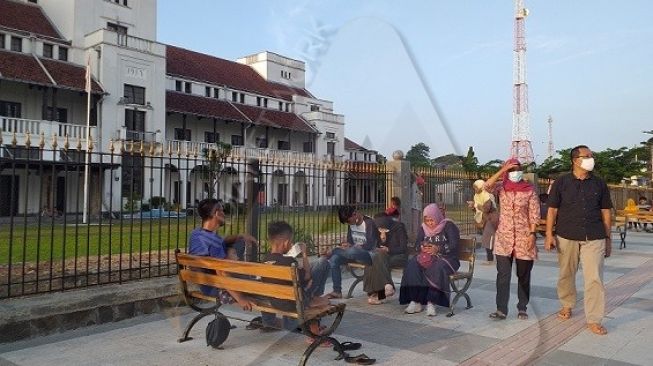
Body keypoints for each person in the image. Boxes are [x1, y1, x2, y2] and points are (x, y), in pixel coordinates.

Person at [545, 145, 613, 336]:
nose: (592, 159)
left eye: (592, 155)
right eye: (587, 156)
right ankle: (567, 304)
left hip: (594, 235)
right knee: (566, 273)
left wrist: (608, 239)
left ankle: (594, 319)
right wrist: (549, 234)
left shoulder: (599, 183)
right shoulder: (561, 182)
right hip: (567, 235)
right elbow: (552, 210)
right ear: (575, 160)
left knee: (594, 279)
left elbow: (606, 211)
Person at [485, 159, 540, 320]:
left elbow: (534, 214)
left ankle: (522, 307)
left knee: (523, 275)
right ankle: (501, 309)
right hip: (504, 238)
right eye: (511, 170)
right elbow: (486, 186)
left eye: (517, 169)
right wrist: (503, 170)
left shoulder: (529, 190)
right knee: (503, 275)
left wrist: (532, 234)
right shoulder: (501, 188)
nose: (514, 172)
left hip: (524, 237)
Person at [261, 221, 331, 335]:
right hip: (293, 302)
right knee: (326, 300)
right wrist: (303, 253)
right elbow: (307, 276)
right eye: (290, 242)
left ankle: (311, 304)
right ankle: (312, 327)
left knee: (313, 279)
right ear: (286, 242)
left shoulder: (264, 260)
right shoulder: (289, 262)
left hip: (274, 301)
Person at [187, 198, 257, 310]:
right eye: (222, 211)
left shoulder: (196, 234)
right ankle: (271, 321)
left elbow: (222, 241)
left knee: (238, 245)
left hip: (204, 283)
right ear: (216, 213)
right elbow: (222, 272)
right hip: (217, 287)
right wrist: (241, 299)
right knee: (261, 285)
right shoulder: (214, 243)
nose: (224, 214)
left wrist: (240, 236)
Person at [399, 204, 460, 317]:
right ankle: (415, 300)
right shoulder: (423, 228)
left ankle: (431, 302)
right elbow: (417, 244)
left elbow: (454, 244)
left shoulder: (448, 225)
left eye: (432, 220)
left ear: (437, 216)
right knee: (412, 264)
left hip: (447, 259)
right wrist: (422, 247)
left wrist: (438, 248)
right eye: (427, 220)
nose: (430, 223)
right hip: (428, 258)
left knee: (437, 267)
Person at [324, 206, 378, 299]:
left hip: (368, 255)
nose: (349, 224)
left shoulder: (369, 223)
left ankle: (334, 251)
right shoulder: (351, 224)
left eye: (349, 221)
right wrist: (347, 245)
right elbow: (350, 241)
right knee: (334, 259)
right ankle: (337, 291)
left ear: (354, 214)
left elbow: (371, 245)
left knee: (351, 251)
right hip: (353, 253)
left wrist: (355, 247)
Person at [362, 212, 409, 305]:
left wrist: (389, 249)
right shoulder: (378, 229)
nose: (381, 229)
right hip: (384, 257)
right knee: (373, 259)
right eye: (379, 227)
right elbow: (377, 245)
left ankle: (381, 292)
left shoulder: (399, 227)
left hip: (399, 256)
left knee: (378, 259)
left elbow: (403, 248)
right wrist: (383, 240)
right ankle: (382, 290)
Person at [468, 179, 498, 264]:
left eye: (476, 188)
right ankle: (491, 258)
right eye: (474, 188)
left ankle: (490, 259)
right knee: (489, 239)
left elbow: (486, 209)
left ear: (481, 187)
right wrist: (473, 207)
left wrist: (475, 205)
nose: (475, 190)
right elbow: (477, 210)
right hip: (484, 219)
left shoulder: (487, 195)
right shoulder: (476, 196)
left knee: (488, 238)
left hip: (491, 219)